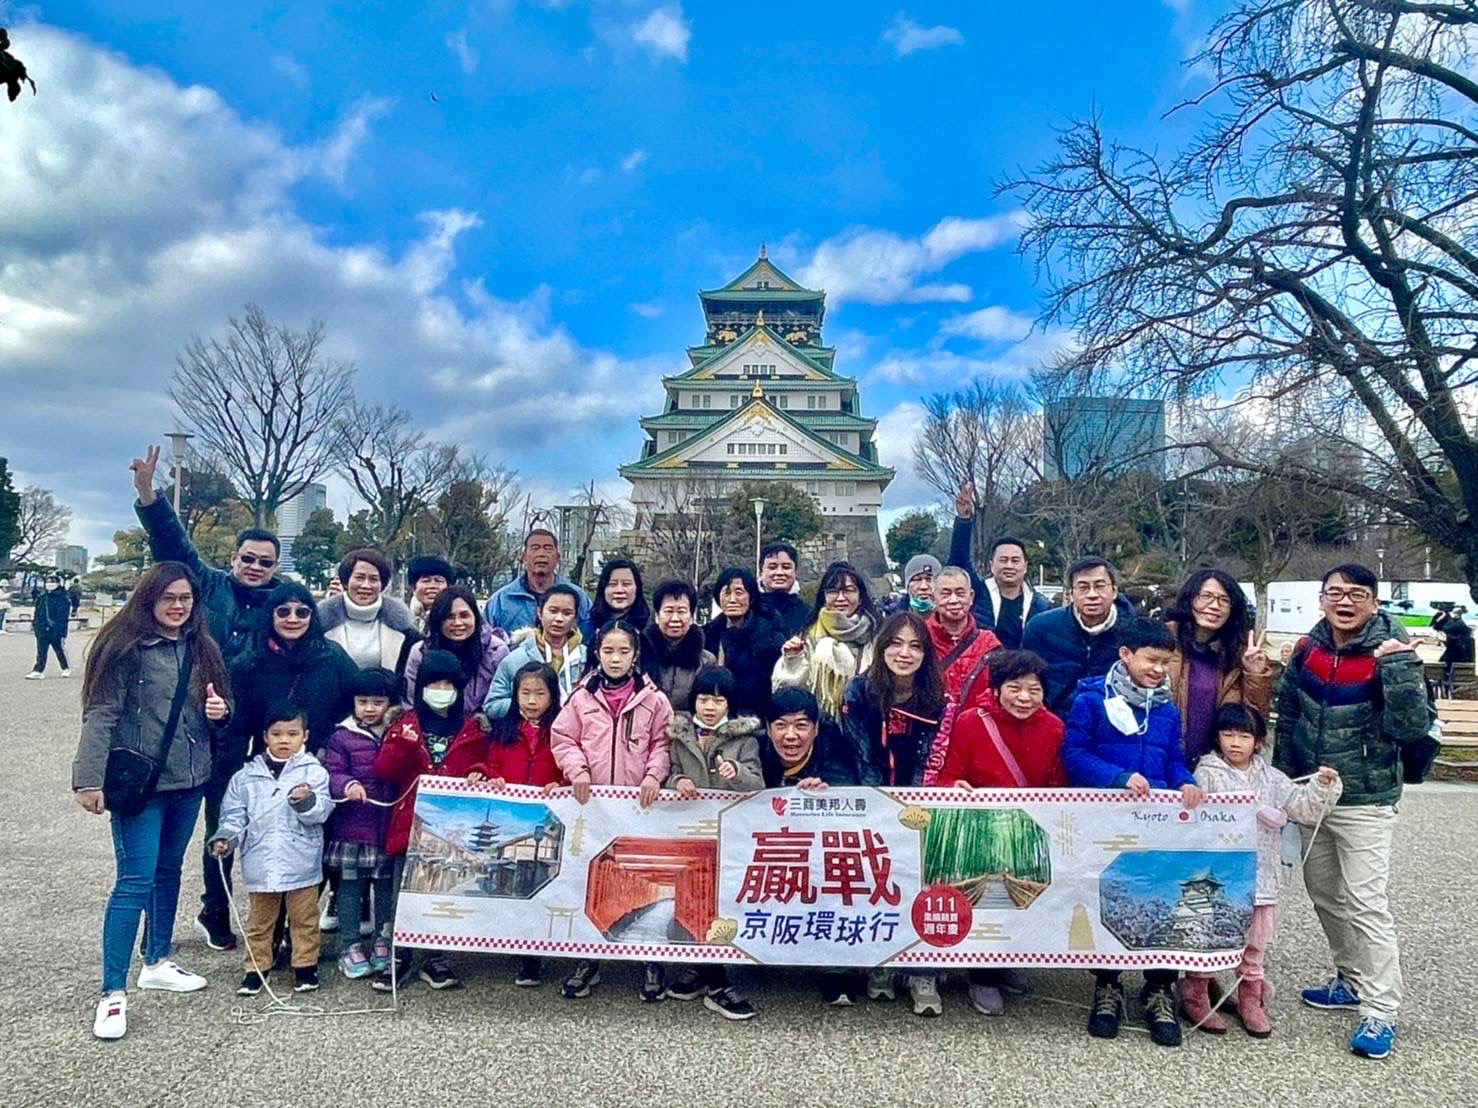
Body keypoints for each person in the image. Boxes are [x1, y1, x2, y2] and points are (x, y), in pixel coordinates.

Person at [1273, 564, 1433, 1061]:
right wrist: (1284, 783)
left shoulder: (1395, 651)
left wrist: (1400, 668)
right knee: (1325, 896)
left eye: (1357, 594)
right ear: (1322, 598)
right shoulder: (1309, 649)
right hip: (1313, 794)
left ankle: (1380, 1009)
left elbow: (1411, 728)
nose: (1345, 602)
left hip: (1366, 798)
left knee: (1366, 903)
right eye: (1335, 592)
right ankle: (1350, 978)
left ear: (1375, 603)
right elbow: (1288, 715)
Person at [71, 562, 231, 1040]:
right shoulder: (124, 646)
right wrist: (88, 779)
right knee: (133, 881)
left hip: (191, 777)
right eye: (168, 598)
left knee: (168, 871)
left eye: (186, 598)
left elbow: (221, 707)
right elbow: (101, 713)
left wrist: (221, 710)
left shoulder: (202, 646)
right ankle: (112, 991)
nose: (178, 606)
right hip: (140, 782)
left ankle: (157, 958)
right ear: (149, 598)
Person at [1061, 617, 1203, 1048]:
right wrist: (1117, 777)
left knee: (1162, 898)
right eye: (1151, 660)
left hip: (1157, 823)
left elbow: (1173, 759)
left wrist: (1185, 781)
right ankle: (1107, 985)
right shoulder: (1092, 700)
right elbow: (1073, 753)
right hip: (1107, 819)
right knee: (1112, 896)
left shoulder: (1166, 710)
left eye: (1165, 662)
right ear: (1126, 655)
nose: (1158, 669)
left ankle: (1159, 987)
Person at [205, 582, 356, 950]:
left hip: (318, 766)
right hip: (267, 765)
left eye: (302, 611)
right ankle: (258, 925)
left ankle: (297, 927)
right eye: (283, 611)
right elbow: (237, 722)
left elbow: (357, 700)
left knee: (314, 845)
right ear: (270, 616)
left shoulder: (331, 657)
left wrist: (336, 748)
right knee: (265, 845)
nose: (293, 618)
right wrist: (229, 766)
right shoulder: (248, 663)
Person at [1186, 705, 1342, 1037]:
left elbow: (1302, 806)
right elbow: (1200, 817)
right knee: (1209, 935)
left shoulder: (1272, 778)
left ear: (1258, 741)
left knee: (1255, 941)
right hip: (1217, 873)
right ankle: (1196, 994)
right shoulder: (1207, 772)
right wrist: (1252, 809)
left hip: (1261, 873)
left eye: (1244, 736)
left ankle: (1251, 999)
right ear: (1217, 737)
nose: (1235, 742)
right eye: (1228, 734)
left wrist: (1322, 786)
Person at [934, 649, 1063, 1016]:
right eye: (1014, 688)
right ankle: (982, 975)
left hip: (1027, 829)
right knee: (989, 899)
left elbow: (1058, 782)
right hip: (982, 829)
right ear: (996, 688)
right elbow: (948, 774)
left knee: (1023, 896)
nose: (1024, 698)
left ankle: (1008, 960)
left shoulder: (1054, 727)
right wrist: (954, 787)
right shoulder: (970, 722)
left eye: (1034, 690)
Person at [550, 620, 674, 1002]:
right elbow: (563, 738)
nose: (615, 659)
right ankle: (588, 956)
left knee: (645, 880)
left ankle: (651, 959)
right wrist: (577, 771)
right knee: (594, 880)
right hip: (595, 807)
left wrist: (654, 774)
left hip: (640, 808)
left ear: (635, 655)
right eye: (608, 651)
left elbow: (664, 742)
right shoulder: (580, 698)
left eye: (623, 651)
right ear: (597, 653)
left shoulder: (653, 699)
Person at [841, 610, 956, 1017]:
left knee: (922, 881)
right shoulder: (859, 691)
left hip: (921, 803)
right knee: (879, 882)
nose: (904, 653)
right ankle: (882, 963)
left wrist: (915, 808)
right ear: (881, 648)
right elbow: (861, 754)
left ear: (926, 653)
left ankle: (924, 972)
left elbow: (932, 758)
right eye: (895, 644)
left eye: (915, 646)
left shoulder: (939, 699)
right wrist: (881, 807)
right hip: (872, 799)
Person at [371, 649, 490, 992]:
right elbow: (384, 770)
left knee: (442, 894)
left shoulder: (471, 728)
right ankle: (400, 955)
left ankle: (435, 956)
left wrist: (479, 771)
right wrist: (403, 747)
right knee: (403, 893)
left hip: (450, 829)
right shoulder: (405, 724)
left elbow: (483, 762)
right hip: (409, 825)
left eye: (447, 685)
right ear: (421, 686)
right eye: (433, 684)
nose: (441, 691)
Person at [210, 702, 333, 997]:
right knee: (259, 921)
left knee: (305, 919)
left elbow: (322, 811)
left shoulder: (314, 773)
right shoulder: (245, 776)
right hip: (261, 859)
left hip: (301, 859)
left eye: (292, 734)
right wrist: (226, 838)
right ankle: (256, 968)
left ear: (305, 736)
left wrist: (305, 801)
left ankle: (305, 966)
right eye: (277, 734)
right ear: (265, 736)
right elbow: (233, 816)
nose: (284, 740)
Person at [663, 666, 763, 1020]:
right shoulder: (679, 735)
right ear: (694, 701)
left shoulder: (745, 740)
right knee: (692, 901)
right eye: (704, 699)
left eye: (718, 701)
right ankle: (699, 968)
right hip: (688, 834)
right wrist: (677, 781)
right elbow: (668, 771)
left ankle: (716, 980)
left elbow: (757, 784)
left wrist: (737, 773)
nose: (710, 707)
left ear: (729, 705)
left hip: (727, 837)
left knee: (719, 903)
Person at [465, 662, 566, 988]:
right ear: (514, 695)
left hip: (546, 824)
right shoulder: (503, 731)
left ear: (553, 696)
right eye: (525, 693)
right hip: (513, 823)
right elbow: (489, 762)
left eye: (540, 693)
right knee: (511, 890)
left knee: (539, 888)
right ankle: (508, 942)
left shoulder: (562, 731)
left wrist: (563, 783)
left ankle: (532, 957)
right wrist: (486, 774)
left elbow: (571, 766)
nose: (532, 701)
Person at [130, 445, 279, 662]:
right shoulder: (209, 584)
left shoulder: (285, 603)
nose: (255, 567)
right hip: (202, 679)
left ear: (275, 567)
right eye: (248, 559)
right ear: (234, 558)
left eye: (265, 563)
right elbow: (174, 544)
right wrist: (146, 491)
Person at [321, 667, 400, 980]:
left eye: (377, 702)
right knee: (350, 888)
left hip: (387, 824)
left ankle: (383, 939)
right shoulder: (342, 736)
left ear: (390, 703)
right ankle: (349, 944)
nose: (369, 708)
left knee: (385, 888)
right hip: (352, 826)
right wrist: (347, 785)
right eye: (362, 701)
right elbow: (332, 771)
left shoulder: (399, 731)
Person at [1164, 570, 1273, 767]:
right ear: (1190, 599)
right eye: (1206, 596)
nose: (1214, 606)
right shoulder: (1163, 641)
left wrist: (1255, 675)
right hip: (1164, 761)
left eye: (1224, 600)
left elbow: (1252, 722)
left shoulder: (1239, 653)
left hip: (1216, 766)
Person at [1021, 556, 1135, 715]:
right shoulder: (1041, 627)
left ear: (1114, 591)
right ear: (1070, 594)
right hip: (1053, 719)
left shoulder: (1134, 632)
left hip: (1111, 722)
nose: (1092, 594)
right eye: (1083, 587)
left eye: (1100, 586)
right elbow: (1024, 677)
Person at [774, 560, 880, 721]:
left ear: (860, 597)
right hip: (821, 725)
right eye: (833, 591)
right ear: (824, 597)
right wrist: (793, 660)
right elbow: (788, 693)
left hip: (866, 723)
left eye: (848, 590)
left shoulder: (878, 635)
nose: (840, 598)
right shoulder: (807, 636)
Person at [949, 485, 1051, 649]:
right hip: (985, 663)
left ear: (1025, 566)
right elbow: (958, 563)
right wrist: (964, 520)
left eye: (1015, 560)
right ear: (992, 565)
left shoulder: (1041, 606)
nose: (1009, 566)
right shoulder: (977, 594)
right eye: (1003, 560)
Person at [401, 585, 511, 711]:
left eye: (464, 616)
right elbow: (411, 701)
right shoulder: (421, 652)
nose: (457, 623)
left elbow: (501, 700)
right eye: (449, 617)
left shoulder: (496, 651)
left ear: (476, 617)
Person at [484, 584, 586, 718]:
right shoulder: (516, 659)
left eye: (567, 613)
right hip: (527, 730)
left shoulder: (586, 658)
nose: (559, 619)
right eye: (553, 611)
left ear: (575, 618)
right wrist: (524, 703)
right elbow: (492, 705)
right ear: (540, 613)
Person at [319, 549, 419, 675]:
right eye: (359, 578)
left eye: (373, 579)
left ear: (382, 584)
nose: (366, 585)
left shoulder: (403, 626)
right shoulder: (320, 623)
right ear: (346, 581)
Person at [704, 567, 787, 718]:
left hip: (756, 716)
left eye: (739, 593)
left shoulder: (770, 636)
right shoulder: (708, 634)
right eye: (726, 593)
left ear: (751, 597)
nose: (732, 600)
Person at [483, 528, 591, 636]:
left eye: (548, 549)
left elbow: (590, 636)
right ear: (524, 557)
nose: (541, 554)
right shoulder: (501, 600)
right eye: (535, 548)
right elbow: (485, 639)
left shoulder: (577, 596)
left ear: (558, 558)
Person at [926, 566, 1002, 712]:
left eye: (960, 594)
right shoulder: (920, 638)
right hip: (929, 722)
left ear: (971, 597)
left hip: (975, 722)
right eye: (945, 594)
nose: (954, 600)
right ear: (933, 598)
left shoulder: (989, 643)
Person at [642, 578, 716, 712]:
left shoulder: (706, 661)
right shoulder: (640, 655)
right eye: (669, 611)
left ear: (691, 617)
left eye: (681, 611)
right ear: (657, 616)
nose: (675, 619)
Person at [756, 541, 810, 637]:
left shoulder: (808, 614)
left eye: (786, 567)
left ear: (795, 572)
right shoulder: (749, 610)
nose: (779, 572)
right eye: (772, 567)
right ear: (761, 572)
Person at [26, 573, 72, 678]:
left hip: (56, 629)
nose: (49, 584)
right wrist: (36, 625)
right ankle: (38, 670)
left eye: (52, 582)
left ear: (58, 584)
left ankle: (65, 667)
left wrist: (60, 630)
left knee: (59, 649)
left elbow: (63, 616)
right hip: (42, 628)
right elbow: (37, 612)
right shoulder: (42, 597)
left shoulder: (63, 598)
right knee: (41, 650)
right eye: (48, 582)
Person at [589, 557, 651, 631]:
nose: (619, 590)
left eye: (626, 584)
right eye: (613, 584)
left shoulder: (651, 629)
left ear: (637, 588)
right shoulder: (587, 628)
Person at [406, 555, 456, 634]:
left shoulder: (457, 619)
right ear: (413, 588)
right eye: (426, 581)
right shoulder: (402, 619)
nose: (432, 586)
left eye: (439, 581)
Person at [1433, 605, 1474, 697]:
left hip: (1453, 662)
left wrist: (1446, 638)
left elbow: (1442, 628)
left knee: (1443, 671)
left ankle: (1445, 694)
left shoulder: (1459, 626)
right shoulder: (1461, 629)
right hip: (1459, 663)